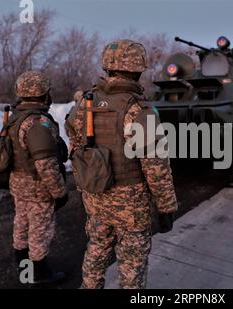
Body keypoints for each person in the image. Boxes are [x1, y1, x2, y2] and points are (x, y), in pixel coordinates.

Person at [65, 40, 178, 289]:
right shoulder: (138, 109)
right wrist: (166, 206)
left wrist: (87, 177)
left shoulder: (86, 102)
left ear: (108, 67)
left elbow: (74, 141)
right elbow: (155, 166)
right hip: (131, 206)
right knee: (132, 265)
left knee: (96, 249)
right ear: (138, 70)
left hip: (95, 196)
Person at [9, 71, 69, 284]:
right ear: (44, 93)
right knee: (39, 231)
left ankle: (24, 269)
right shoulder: (37, 122)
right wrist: (60, 192)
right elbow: (46, 164)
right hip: (38, 189)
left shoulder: (16, 117)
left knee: (22, 225)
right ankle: (39, 275)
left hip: (19, 185)